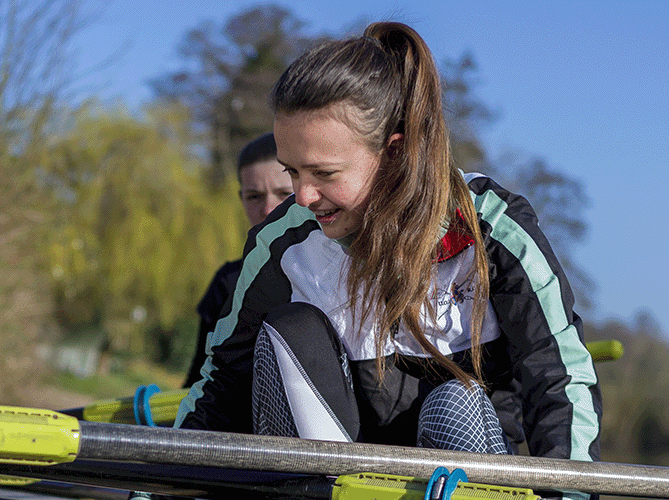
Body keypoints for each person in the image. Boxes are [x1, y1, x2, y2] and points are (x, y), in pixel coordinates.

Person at [176, 20, 600, 493]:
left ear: (394, 153)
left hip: (461, 463)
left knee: (454, 402)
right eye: (292, 171)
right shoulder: (284, 241)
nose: (301, 196)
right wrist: (154, 487)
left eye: (324, 173)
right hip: (336, 474)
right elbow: (220, 387)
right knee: (290, 331)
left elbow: (558, 381)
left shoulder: (493, 229)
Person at [185, 132, 293, 386]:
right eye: (254, 196)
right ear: (241, 199)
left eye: (284, 193)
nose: (267, 209)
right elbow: (198, 383)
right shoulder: (227, 283)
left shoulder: (344, 274)